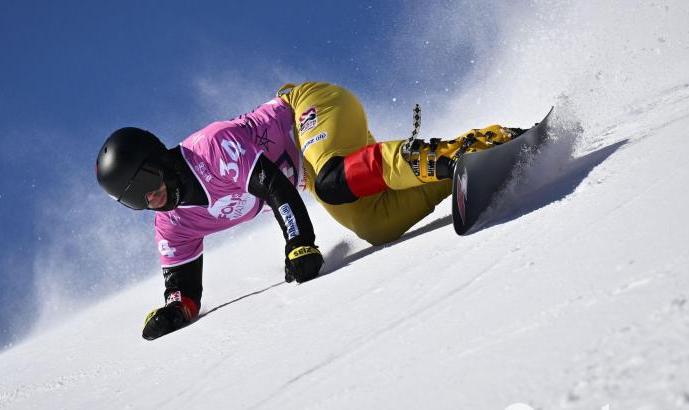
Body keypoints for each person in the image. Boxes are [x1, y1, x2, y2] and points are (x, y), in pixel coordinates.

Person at [96, 81, 522, 340]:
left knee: (332, 182)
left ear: (159, 159)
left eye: (147, 183)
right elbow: (184, 290)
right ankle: (461, 169)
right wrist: (175, 310)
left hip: (309, 109)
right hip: (312, 168)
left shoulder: (208, 150)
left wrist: (299, 242)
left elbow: (273, 185)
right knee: (377, 224)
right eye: (135, 200)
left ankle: (453, 152)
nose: (151, 199)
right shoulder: (172, 224)